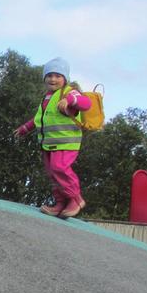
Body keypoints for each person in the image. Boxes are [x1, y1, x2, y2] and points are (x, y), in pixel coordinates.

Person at [14, 57, 92, 218]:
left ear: (65, 78)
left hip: (66, 142)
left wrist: (70, 100)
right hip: (48, 143)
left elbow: (86, 103)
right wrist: (25, 128)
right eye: (49, 75)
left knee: (60, 168)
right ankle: (60, 203)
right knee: (52, 173)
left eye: (58, 76)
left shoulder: (69, 92)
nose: (53, 79)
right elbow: (38, 119)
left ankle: (75, 198)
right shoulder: (47, 98)